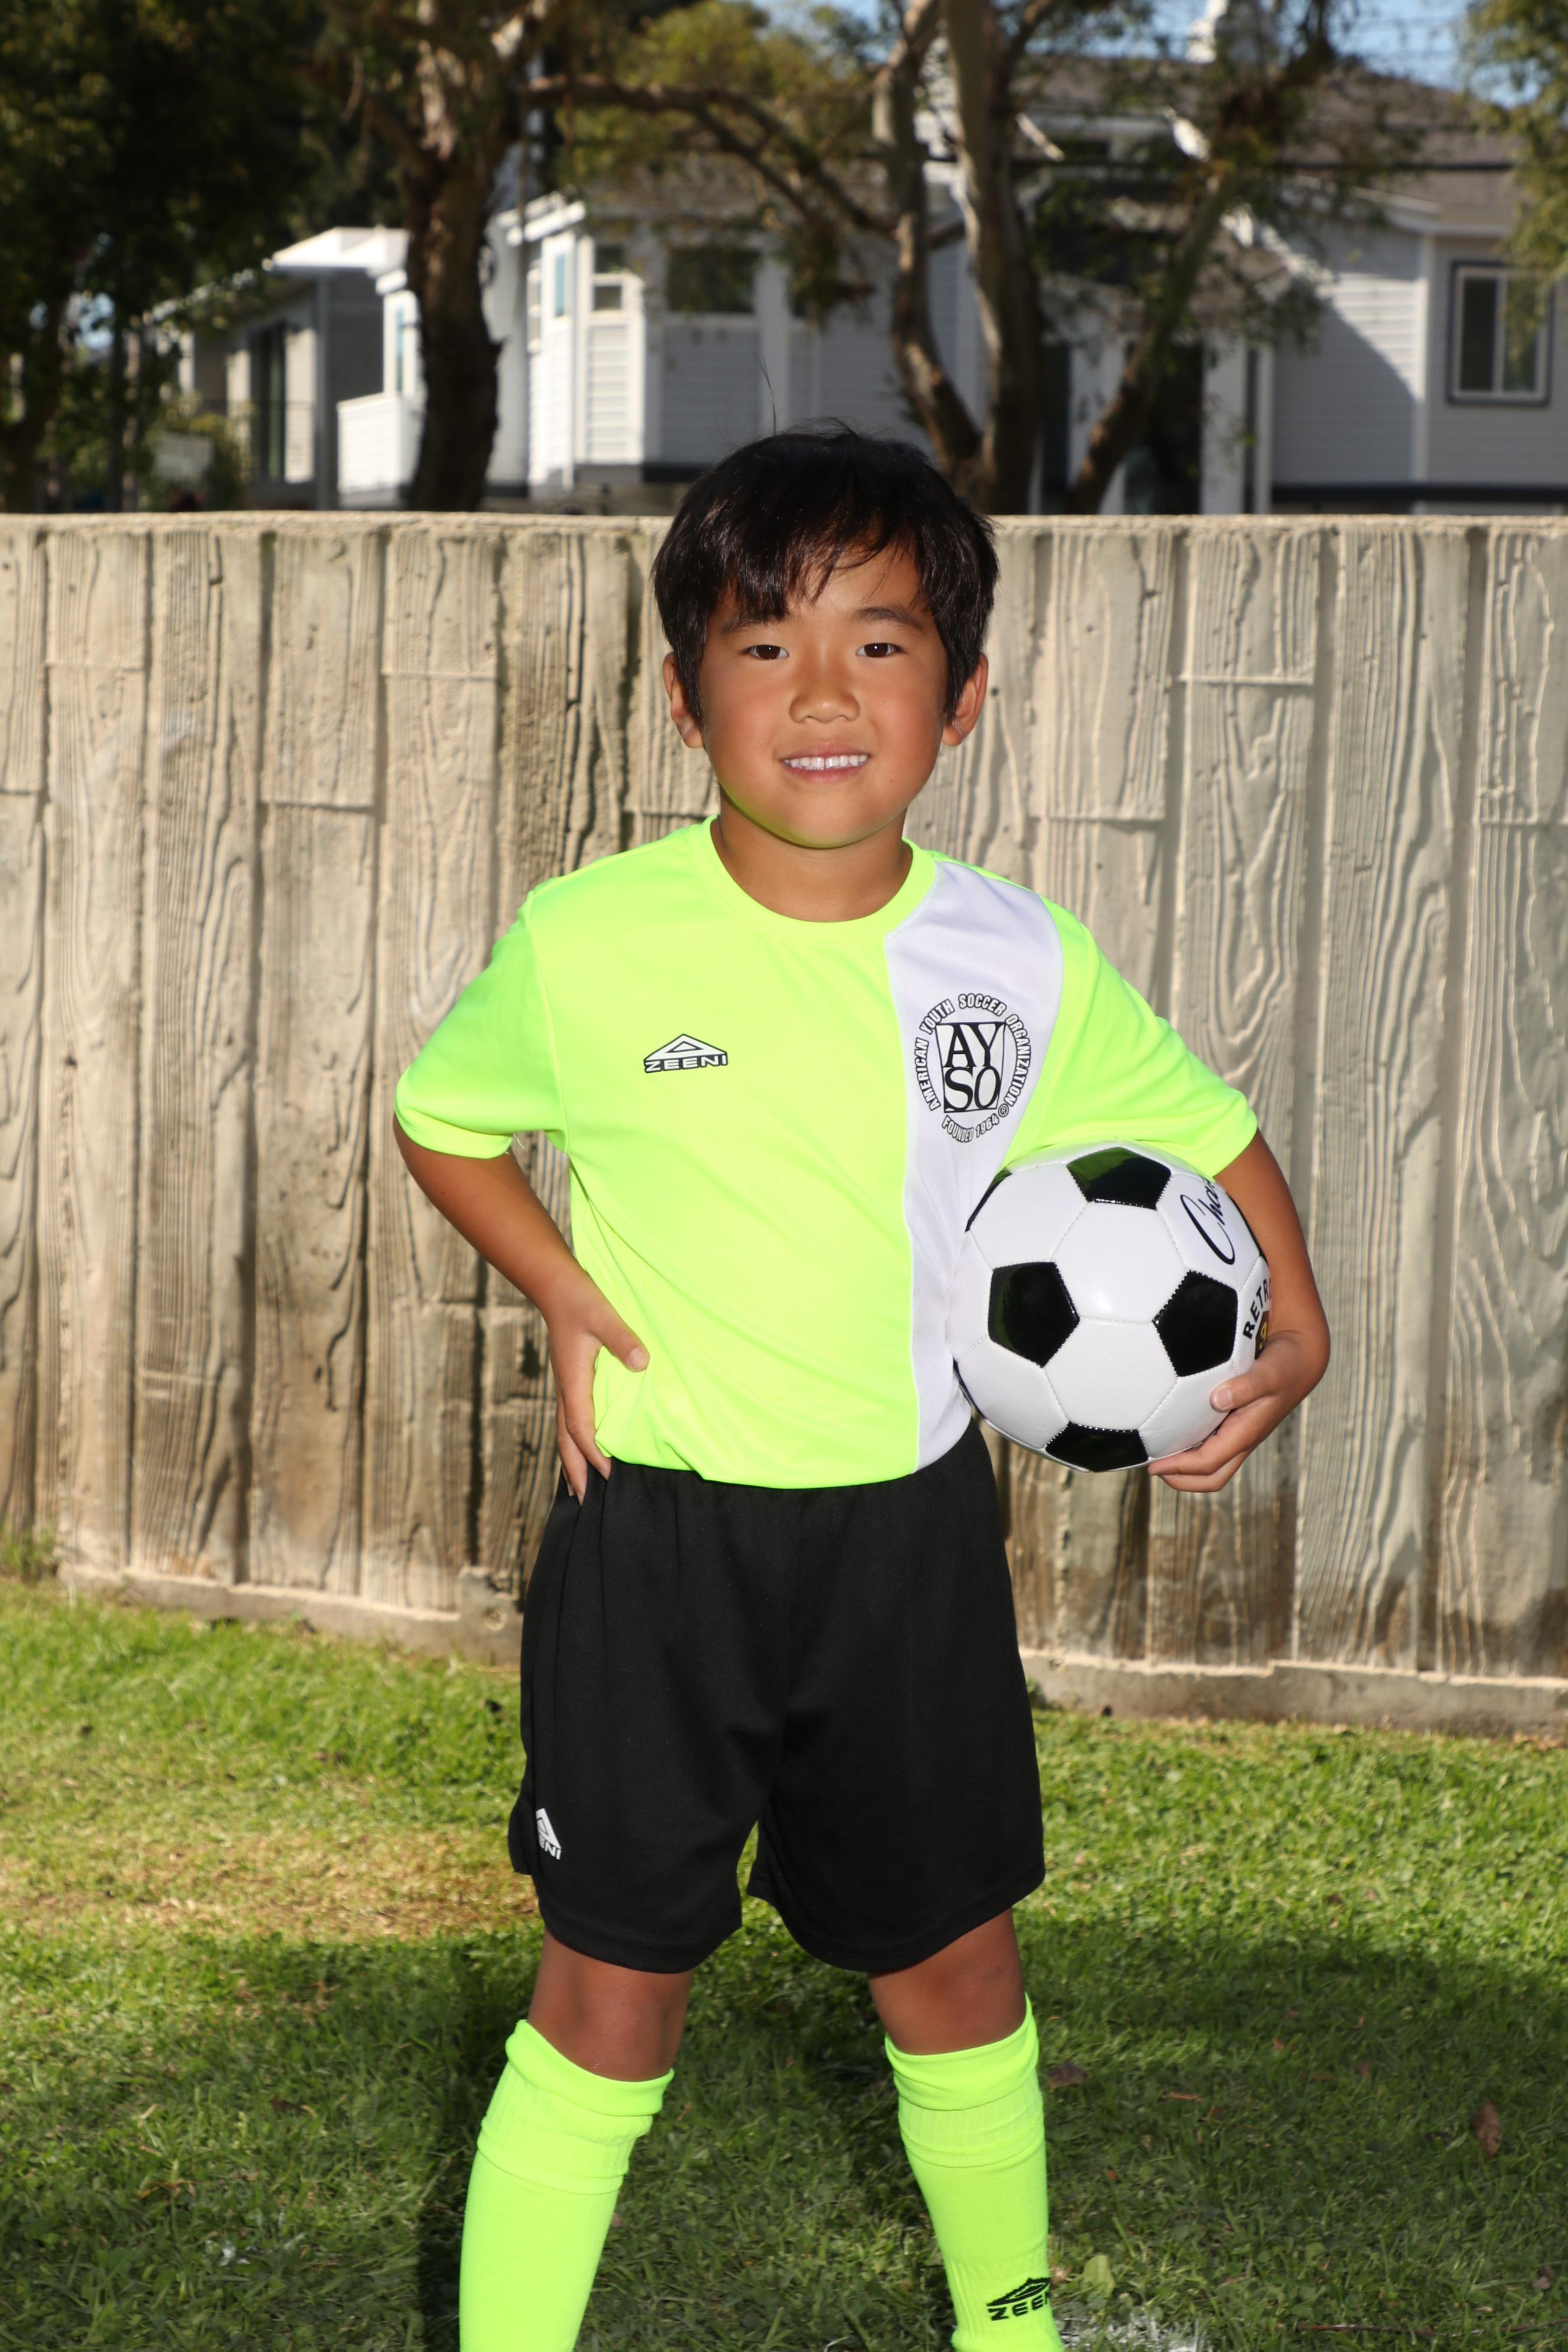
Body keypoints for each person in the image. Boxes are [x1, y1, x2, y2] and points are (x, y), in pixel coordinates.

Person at [393, 427, 1331, 2351]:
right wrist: (561, 1286)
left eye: (880, 646)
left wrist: (1296, 1324)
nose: (822, 694)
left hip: (908, 1545)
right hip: (656, 1551)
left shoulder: (1019, 960)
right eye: (765, 646)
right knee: (612, 1993)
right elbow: (445, 1120)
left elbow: (1210, 1130)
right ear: (685, 700)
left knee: (956, 1970)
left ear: (961, 698)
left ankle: (1010, 2327)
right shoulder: (591, 942)